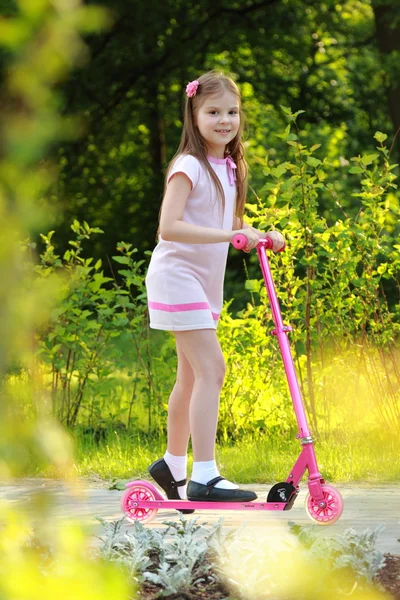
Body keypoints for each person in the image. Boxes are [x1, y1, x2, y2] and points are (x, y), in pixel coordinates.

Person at [145, 71, 284, 511]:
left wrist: (259, 233)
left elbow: (227, 224)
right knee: (212, 370)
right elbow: (169, 226)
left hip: (204, 285)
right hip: (176, 276)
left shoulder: (230, 166)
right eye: (213, 112)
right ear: (195, 114)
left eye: (231, 112)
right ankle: (204, 473)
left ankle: (171, 463)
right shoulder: (188, 165)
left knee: (189, 378)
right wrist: (228, 237)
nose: (224, 120)